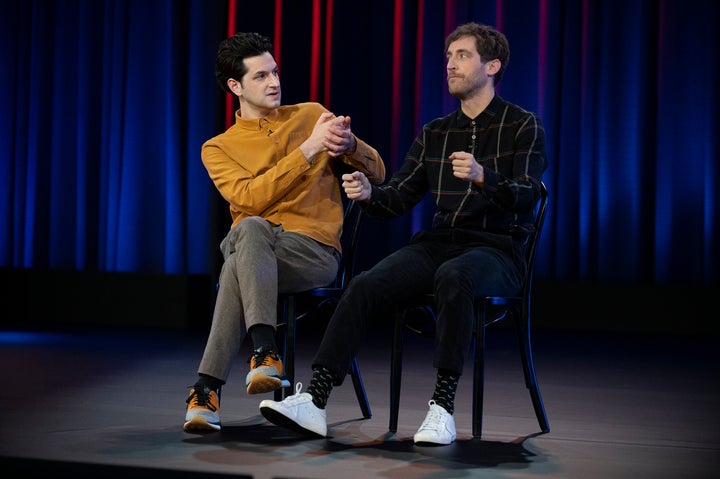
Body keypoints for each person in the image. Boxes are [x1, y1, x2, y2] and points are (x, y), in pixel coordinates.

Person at [258, 22, 547, 445]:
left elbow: (528, 195)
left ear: (493, 65)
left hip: (499, 250)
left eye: (462, 56)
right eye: (448, 57)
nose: (450, 64)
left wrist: (486, 178)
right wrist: (370, 192)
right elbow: (397, 198)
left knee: (456, 277)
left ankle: (442, 408)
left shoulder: (523, 125)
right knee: (366, 284)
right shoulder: (435, 132)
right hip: (440, 244)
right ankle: (315, 402)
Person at [183, 32, 386, 433]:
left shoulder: (311, 115)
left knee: (238, 259)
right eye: (260, 76)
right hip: (257, 249)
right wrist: (307, 151)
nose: (274, 82)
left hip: (312, 254)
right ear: (235, 86)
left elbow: (378, 172)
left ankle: (211, 386)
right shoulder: (218, 147)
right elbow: (249, 198)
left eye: (274, 72)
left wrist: (351, 144)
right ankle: (262, 351)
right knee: (252, 229)